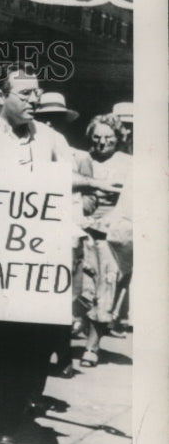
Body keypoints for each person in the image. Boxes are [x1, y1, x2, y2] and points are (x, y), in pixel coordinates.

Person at [0, 63, 93, 444]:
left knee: (25, 342)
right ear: (0, 96)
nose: (34, 99)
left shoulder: (50, 139)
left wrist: (92, 185)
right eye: (25, 94)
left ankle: (10, 419)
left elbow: (66, 185)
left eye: (36, 93)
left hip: (30, 266)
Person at [33, 90, 92, 379]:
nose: (51, 125)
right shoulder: (30, 143)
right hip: (36, 232)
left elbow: (77, 199)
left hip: (63, 231)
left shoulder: (67, 151)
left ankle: (62, 355)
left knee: (61, 301)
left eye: (56, 120)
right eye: (46, 119)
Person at [79, 114, 132, 367]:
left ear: (118, 138)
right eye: (97, 138)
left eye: (108, 138)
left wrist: (114, 220)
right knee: (82, 285)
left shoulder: (129, 163)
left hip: (112, 233)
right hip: (82, 227)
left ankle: (92, 346)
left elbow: (133, 199)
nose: (101, 143)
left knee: (106, 286)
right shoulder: (82, 159)